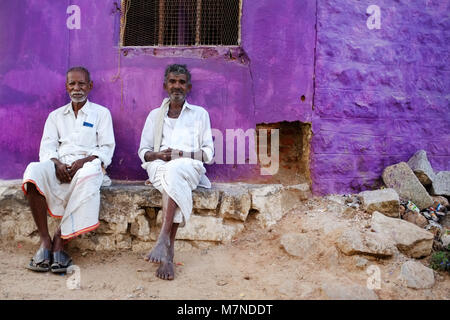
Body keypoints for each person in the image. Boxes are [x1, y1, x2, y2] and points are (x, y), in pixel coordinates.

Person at [22, 66, 115, 273]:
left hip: (88, 166)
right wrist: (57, 165)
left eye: (81, 83)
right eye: (72, 83)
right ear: (66, 87)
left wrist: (84, 162)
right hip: (60, 166)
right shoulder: (55, 116)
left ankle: (60, 242)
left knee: (89, 175)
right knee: (33, 171)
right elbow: (47, 148)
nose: (77, 88)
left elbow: (106, 149)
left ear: (90, 86)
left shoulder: (101, 114)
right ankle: (45, 241)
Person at [138, 64, 214, 280]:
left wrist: (180, 153)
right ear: (165, 86)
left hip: (189, 166)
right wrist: (160, 155)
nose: (177, 86)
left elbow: (208, 154)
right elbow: (143, 152)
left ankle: (163, 239)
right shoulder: (154, 116)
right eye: (172, 81)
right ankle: (168, 252)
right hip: (159, 166)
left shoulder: (200, 115)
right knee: (171, 175)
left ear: (188, 87)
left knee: (175, 171)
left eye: (181, 82)